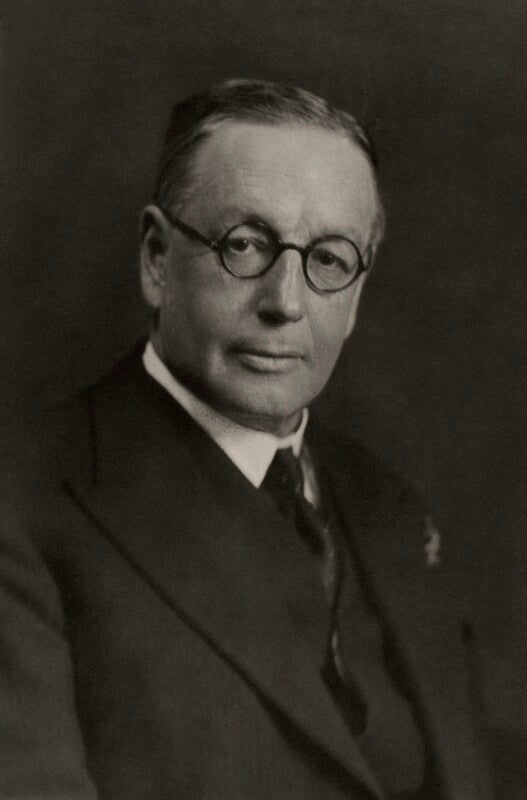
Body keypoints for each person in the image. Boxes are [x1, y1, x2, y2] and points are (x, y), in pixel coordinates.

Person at [0, 80, 497, 800]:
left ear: (356, 294)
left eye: (329, 260)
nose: (285, 303)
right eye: (244, 244)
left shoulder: (391, 509)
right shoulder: (22, 501)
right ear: (157, 259)